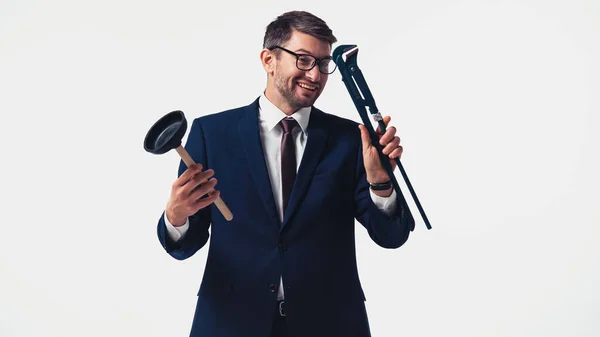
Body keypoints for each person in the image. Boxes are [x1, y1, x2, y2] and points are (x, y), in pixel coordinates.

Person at [155, 10, 415, 337]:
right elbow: (184, 244)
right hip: (231, 323)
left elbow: (391, 236)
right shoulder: (212, 133)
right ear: (268, 60)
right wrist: (176, 216)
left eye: (323, 64)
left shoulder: (351, 139)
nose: (316, 75)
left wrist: (380, 182)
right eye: (303, 60)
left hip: (330, 325)